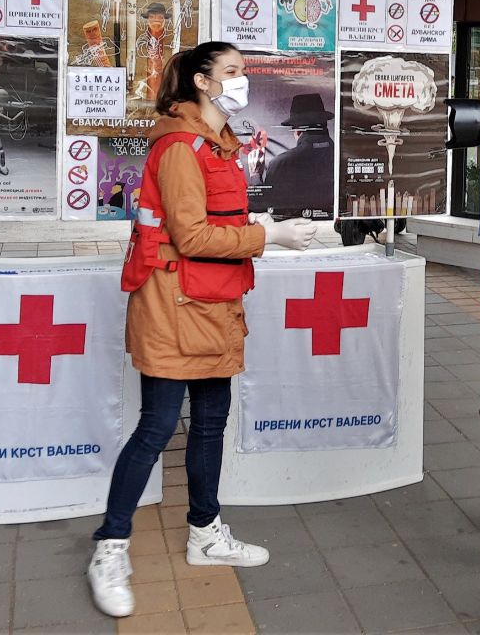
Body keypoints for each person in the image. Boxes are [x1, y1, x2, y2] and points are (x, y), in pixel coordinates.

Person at [87, 41, 318, 619]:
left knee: (211, 423)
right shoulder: (180, 147)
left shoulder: (220, 144)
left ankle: (206, 533)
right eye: (232, 71)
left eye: (244, 70)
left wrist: (254, 223)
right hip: (173, 305)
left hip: (212, 304)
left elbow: (213, 219)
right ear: (202, 81)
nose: (242, 80)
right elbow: (190, 236)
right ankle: (109, 548)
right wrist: (269, 237)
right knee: (157, 426)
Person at [263, 92, 335, 213]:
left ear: (297, 131)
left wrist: (255, 176)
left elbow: (267, 206)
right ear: (324, 126)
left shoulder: (279, 164)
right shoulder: (342, 157)